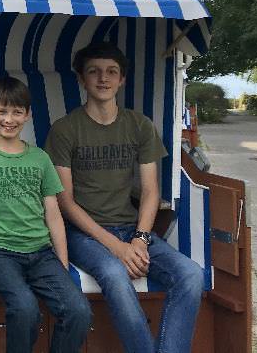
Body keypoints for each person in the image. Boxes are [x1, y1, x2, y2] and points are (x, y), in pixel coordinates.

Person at [45, 42, 204, 353]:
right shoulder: (65, 129)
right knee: (116, 274)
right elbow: (66, 202)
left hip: (133, 230)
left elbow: (150, 191)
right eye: (94, 72)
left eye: (111, 72)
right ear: (81, 78)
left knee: (190, 275)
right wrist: (116, 246)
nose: (103, 79)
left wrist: (140, 240)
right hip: (83, 234)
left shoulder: (139, 125)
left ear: (122, 80)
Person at [0, 76, 91, 353]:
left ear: (28, 115)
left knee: (79, 311)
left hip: (41, 254)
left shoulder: (40, 158)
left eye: (17, 112)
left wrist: (62, 265)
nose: (9, 119)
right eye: (1, 111)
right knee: (26, 308)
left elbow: (53, 214)